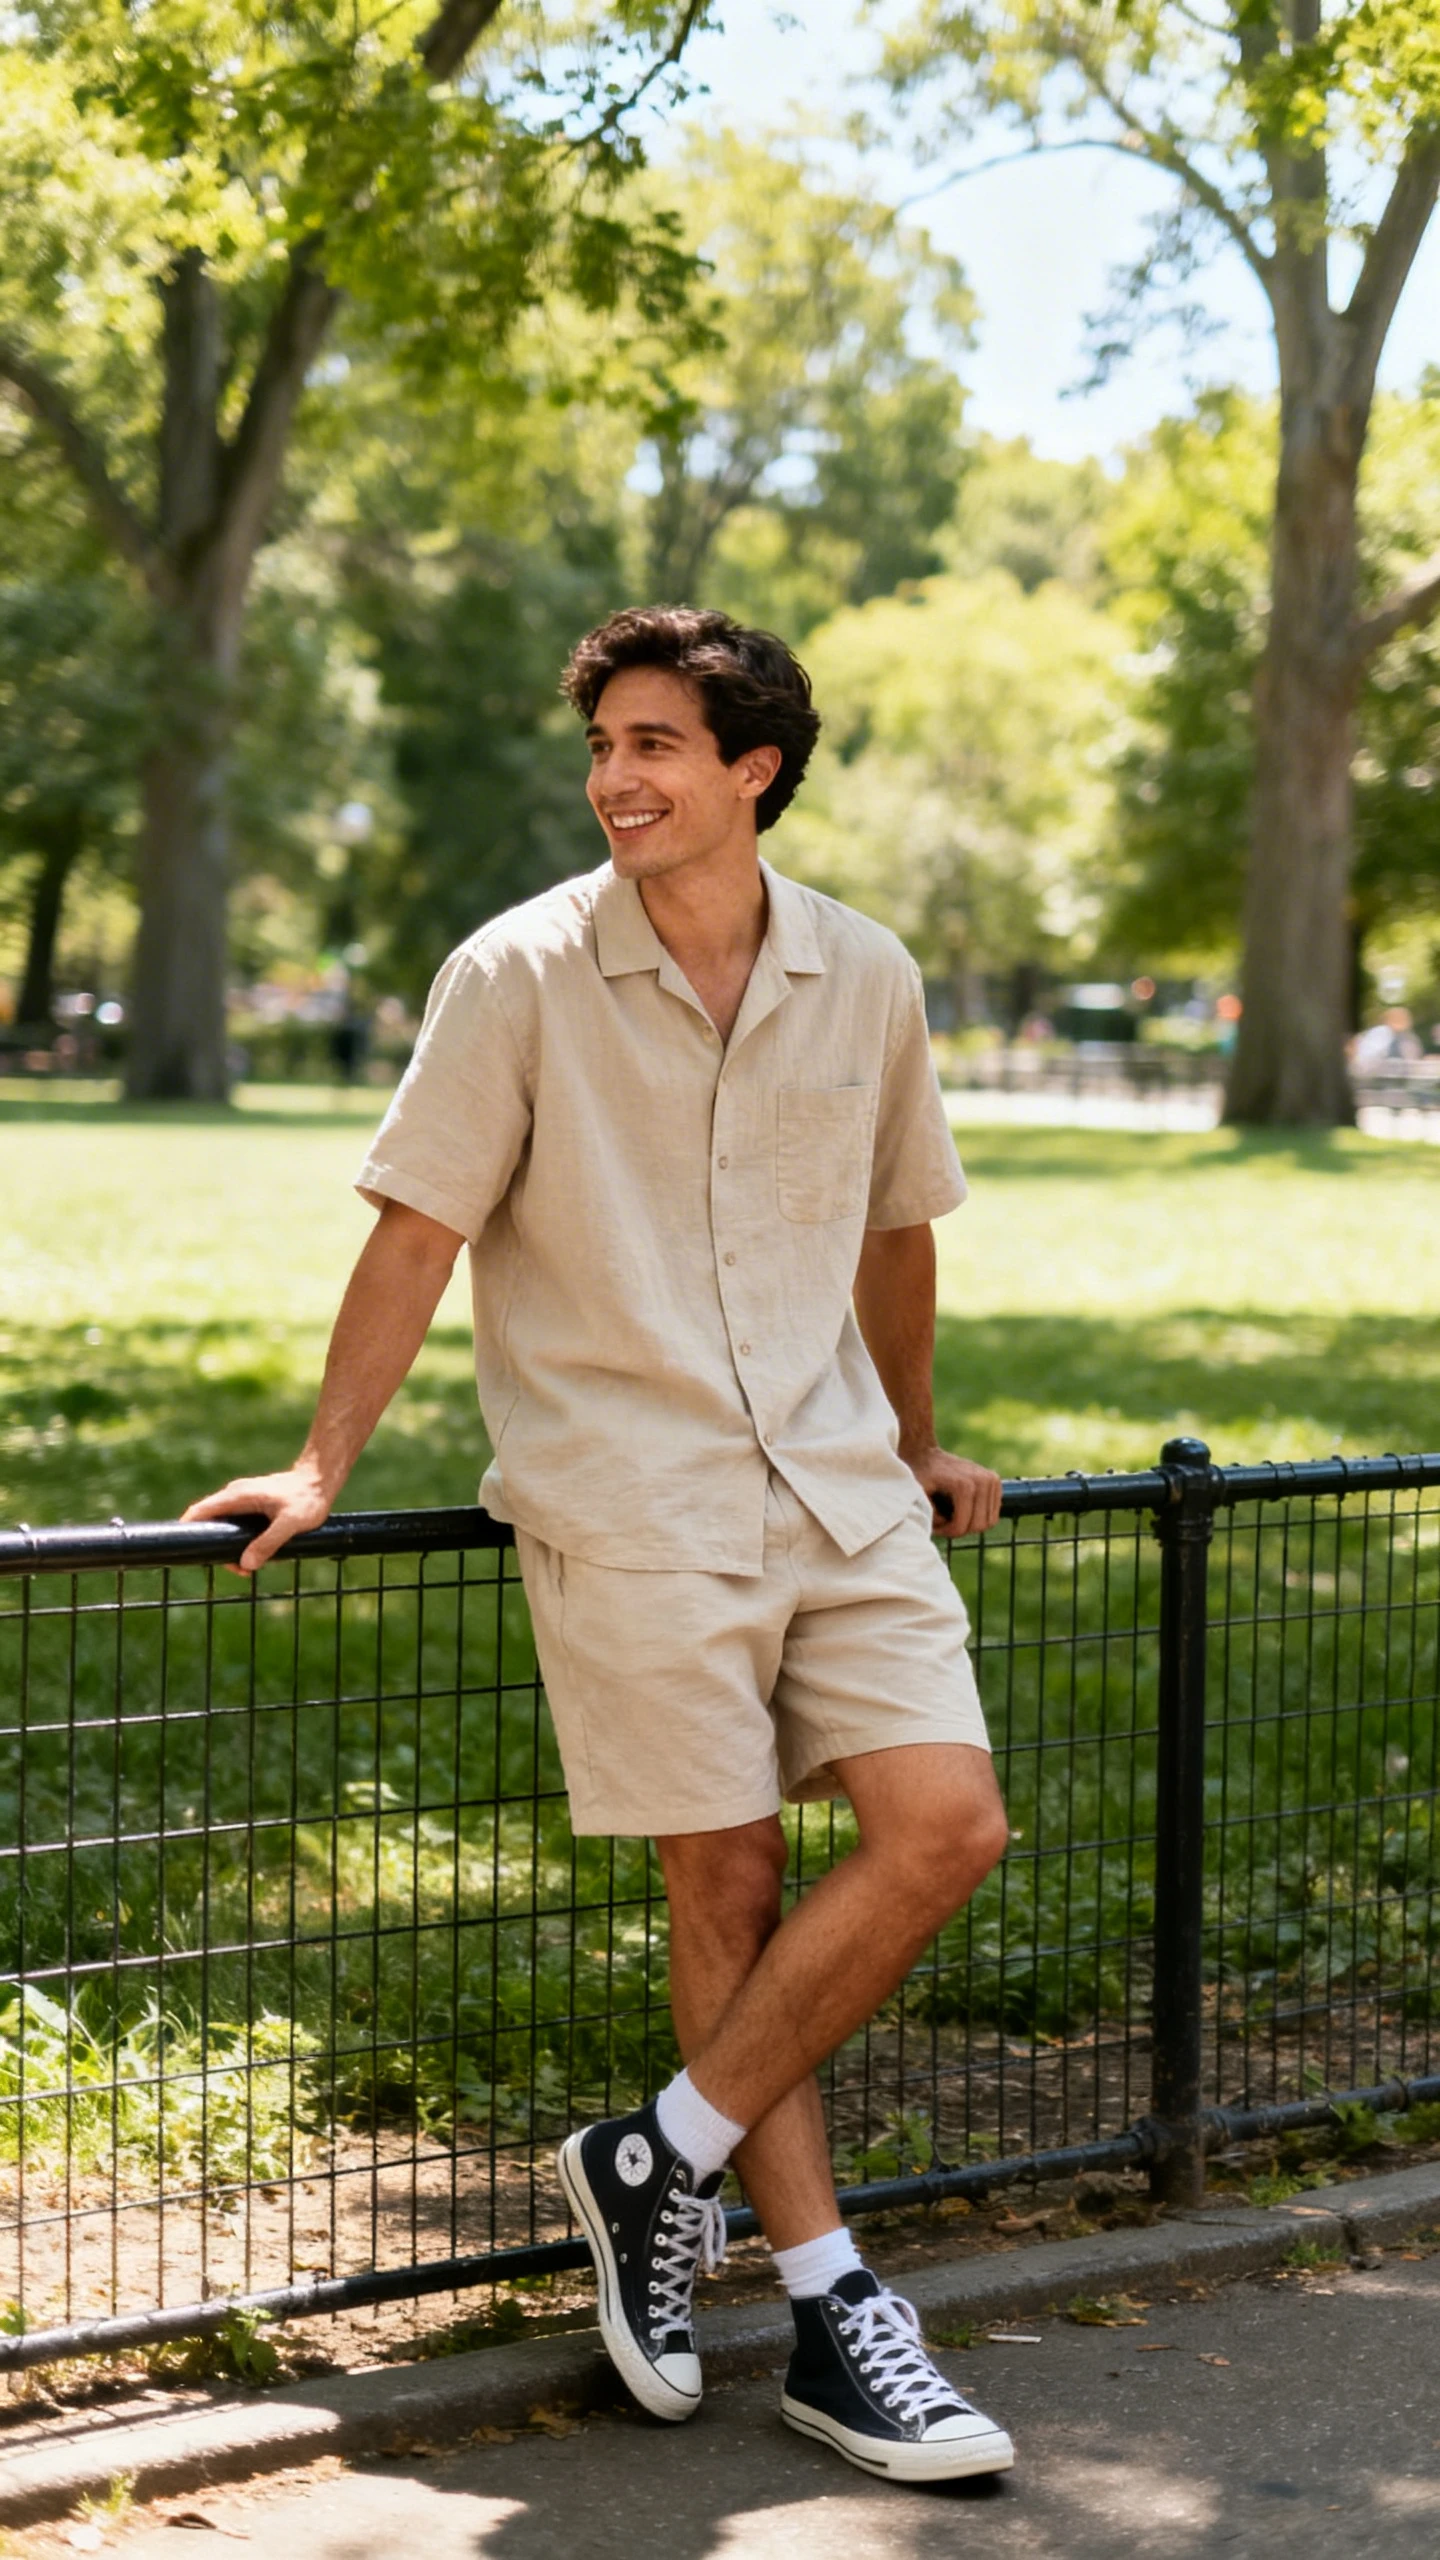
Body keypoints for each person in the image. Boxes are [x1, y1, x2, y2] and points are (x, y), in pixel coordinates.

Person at [184, 606, 1014, 2487]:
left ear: (753, 770)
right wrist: (318, 1463)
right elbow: (417, 1226)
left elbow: (896, 1228)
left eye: (656, 745)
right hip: (631, 1495)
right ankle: (834, 2311)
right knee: (726, 1883)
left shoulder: (867, 974)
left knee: (948, 1826)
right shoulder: (519, 972)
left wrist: (911, 1439)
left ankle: (657, 2158)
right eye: (603, 747)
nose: (615, 780)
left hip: (838, 1487)